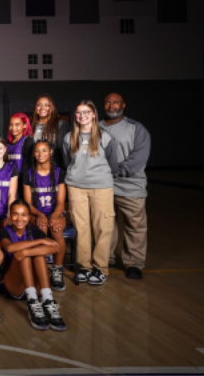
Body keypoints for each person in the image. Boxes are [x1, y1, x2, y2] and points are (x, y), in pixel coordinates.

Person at [63, 100, 119, 285]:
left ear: (94, 114)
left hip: (101, 186)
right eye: (79, 112)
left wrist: (98, 177)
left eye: (86, 112)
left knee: (103, 227)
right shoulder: (69, 137)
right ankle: (84, 267)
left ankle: (100, 268)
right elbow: (67, 162)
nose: (82, 116)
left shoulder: (106, 137)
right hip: (76, 187)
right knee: (81, 228)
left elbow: (113, 164)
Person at [100, 93, 151, 280]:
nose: (111, 105)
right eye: (108, 102)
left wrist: (114, 170)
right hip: (103, 185)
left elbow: (138, 158)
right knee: (106, 224)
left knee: (135, 226)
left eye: (115, 102)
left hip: (130, 186)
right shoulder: (96, 127)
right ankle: (107, 258)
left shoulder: (136, 128)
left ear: (123, 104)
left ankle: (134, 263)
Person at [0, 200, 66, 331]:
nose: (19, 218)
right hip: (14, 285)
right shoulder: (4, 231)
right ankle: (32, 302)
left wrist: (25, 252)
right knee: (24, 257)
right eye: (15, 214)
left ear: (29, 218)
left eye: (24, 215)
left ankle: (48, 300)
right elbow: (9, 247)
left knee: (34, 255)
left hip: (37, 286)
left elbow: (54, 248)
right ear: (10, 216)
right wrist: (40, 242)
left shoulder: (34, 230)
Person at [22, 141, 67, 291]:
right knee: (41, 226)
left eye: (44, 150)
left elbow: (61, 202)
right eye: (37, 151)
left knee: (56, 228)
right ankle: (41, 268)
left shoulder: (59, 172)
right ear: (33, 154)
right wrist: (40, 214)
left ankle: (57, 269)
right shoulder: (28, 174)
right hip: (36, 213)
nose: (40, 154)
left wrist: (54, 215)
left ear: (51, 152)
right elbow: (28, 204)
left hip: (55, 213)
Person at [31, 94, 70, 167]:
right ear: (35, 108)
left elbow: (64, 151)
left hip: (55, 168)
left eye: (47, 105)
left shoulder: (60, 125)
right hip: (35, 168)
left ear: (52, 108)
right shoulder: (31, 126)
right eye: (39, 105)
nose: (42, 108)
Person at [7, 112, 35, 186]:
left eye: (17, 125)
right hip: (8, 179)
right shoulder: (7, 143)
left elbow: (28, 165)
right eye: (11, 125)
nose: (13, 128)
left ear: (24, 125)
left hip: (21, 181)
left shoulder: (28, 141)